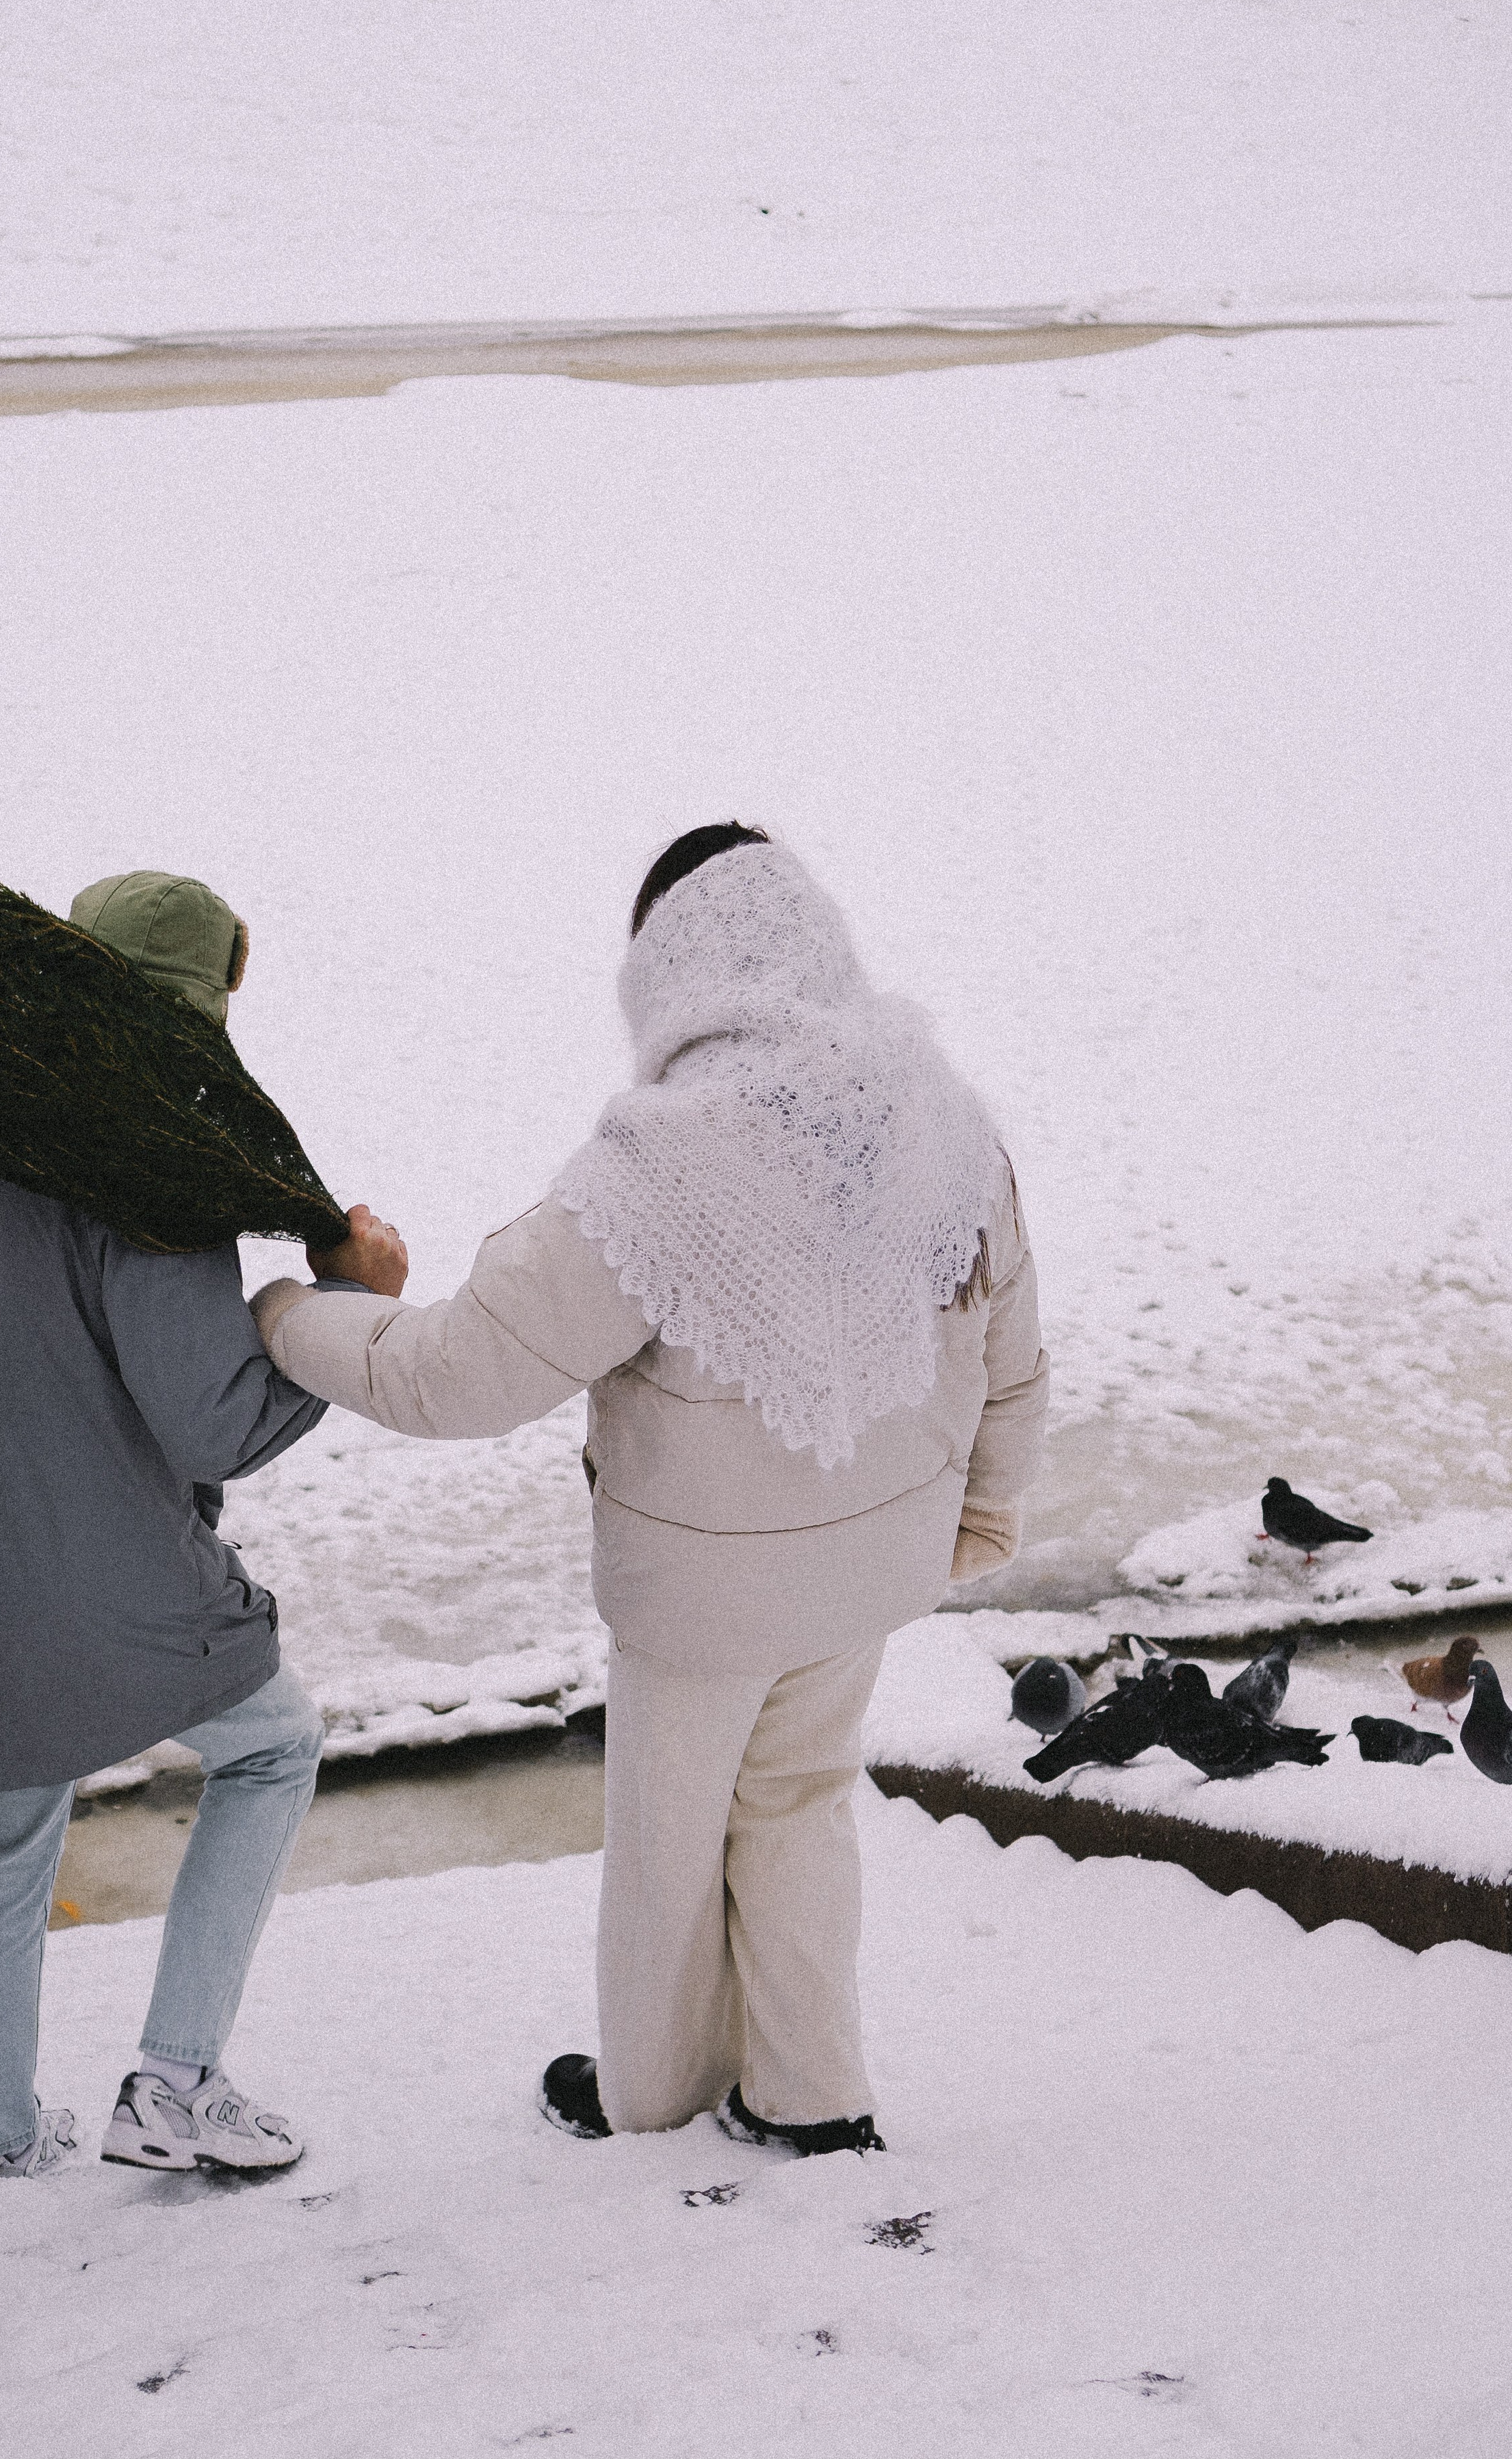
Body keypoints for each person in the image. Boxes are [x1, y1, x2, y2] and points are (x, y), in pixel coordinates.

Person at [251, 827, 1047, 2157]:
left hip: (701, 1599)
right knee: (798, 1802)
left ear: (667, 975)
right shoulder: (942, 1121)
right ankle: (811, 2093)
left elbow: (457, 1375)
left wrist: (286, 1314)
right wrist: (981, 1514)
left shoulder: (661, 1169)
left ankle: (658, 2099)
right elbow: (1011, 1353)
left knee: (668, 1848)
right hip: (870, 1565)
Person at [0, 870, 347, 2189]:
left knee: (4, 1839)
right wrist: (339, 1309)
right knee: (275, 1749)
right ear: (205, 1000)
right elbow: (215, 1423)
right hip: (129, 1590)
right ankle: (174, 2083)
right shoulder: (148, 1149)